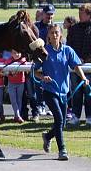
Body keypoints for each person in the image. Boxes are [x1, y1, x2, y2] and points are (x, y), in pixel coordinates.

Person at [34, 23, 89, 161]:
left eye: (57, 32)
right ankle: (62, 150)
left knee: (62, 123)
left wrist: (84, 78)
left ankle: (47, 136)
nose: (54, 35)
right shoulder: (44, 51)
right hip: (49, 91)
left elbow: (76, 66)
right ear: (48, 36)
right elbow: (34, 71)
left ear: (61, 35)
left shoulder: (68, 50)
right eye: (52, 33)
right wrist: (43, 77)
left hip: (64, 92)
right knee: (58, 118)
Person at [67, 3, 91, 126]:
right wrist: (76, 60)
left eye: (82, 13)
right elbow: (69, 46)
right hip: (75, 67)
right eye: (79, 13)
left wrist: (86, 60)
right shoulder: (73, 29)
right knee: (76, 94)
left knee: (89, 94)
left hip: (89, 67)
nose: (79, 15)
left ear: (88, 14)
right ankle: (75, 116)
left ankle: (89, 117)